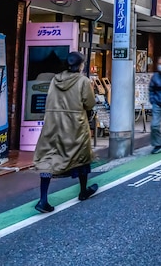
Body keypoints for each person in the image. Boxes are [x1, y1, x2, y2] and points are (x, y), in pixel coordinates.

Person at [33, 51, 97, 213]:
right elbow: (89, 103)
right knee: (81, 156)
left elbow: (49, 99)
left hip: (53, 123)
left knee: (48, 157)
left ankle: (43, 200)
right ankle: (83, 191)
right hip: (74, 124)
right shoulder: (83, 81)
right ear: (81, 65)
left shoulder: (56, 79)